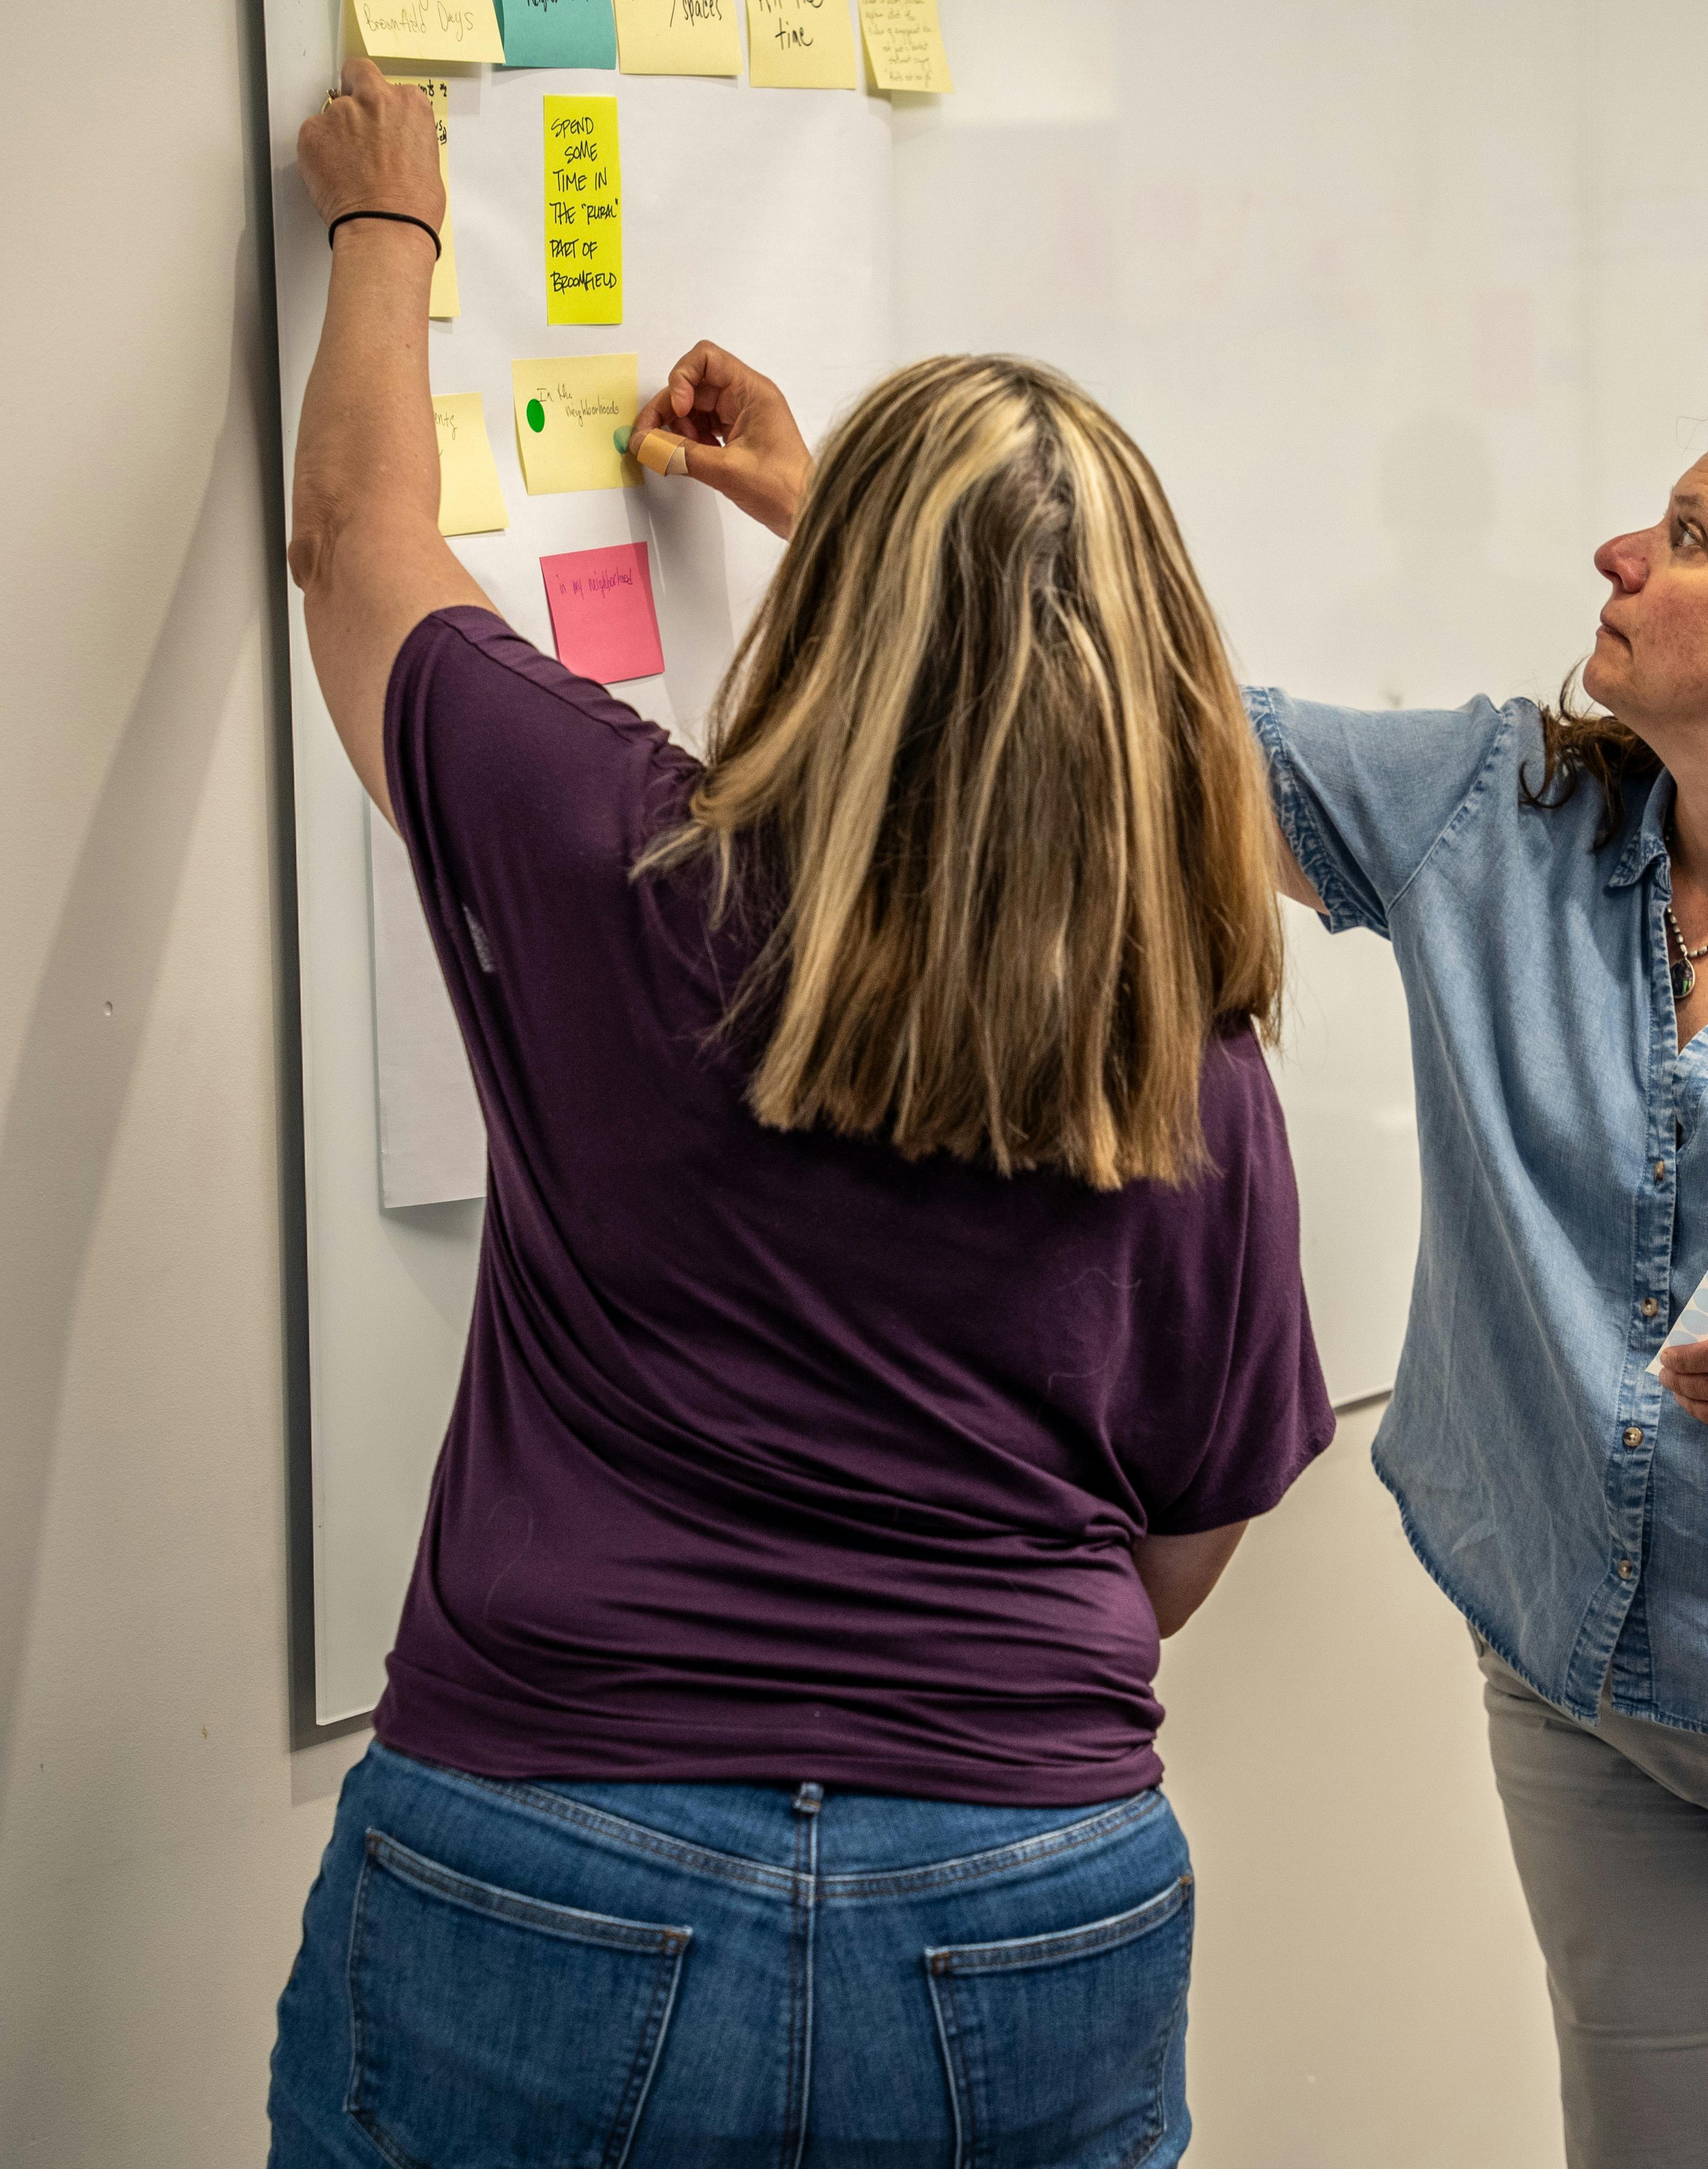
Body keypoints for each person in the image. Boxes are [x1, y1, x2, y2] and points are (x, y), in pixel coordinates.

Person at [627, 361, 1708, 2169]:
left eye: (1686, 539)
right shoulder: (1494, 820)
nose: (1618, 551)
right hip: (1607, 1710)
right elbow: (1129, 719)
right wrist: (836, 504)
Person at [267, 66, 1331, 2167]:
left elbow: (359, 546)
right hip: (1028, 1900)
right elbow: (1185, 1545)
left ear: (844, 607)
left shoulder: (620, 861)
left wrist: (390, 225)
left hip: (551, 1855)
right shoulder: (1186, 1057)